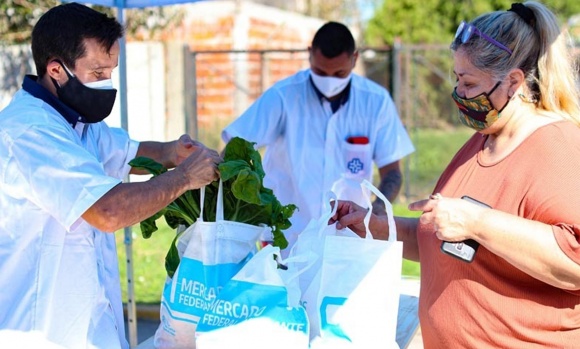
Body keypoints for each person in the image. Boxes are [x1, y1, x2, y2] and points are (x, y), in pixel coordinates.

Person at [330, 2, 580, 348]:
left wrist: (478, 222)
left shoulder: (558, 144)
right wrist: (373, 224)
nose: (459, 93)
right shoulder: (483, 140)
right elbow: (445, 242)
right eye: (456, 79)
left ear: (513, 82)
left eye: (469, 82)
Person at [0, 3, 221, 348]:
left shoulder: (77, 120)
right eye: (98, 72)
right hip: (40, 331)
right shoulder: (31, 131)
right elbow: (108, 211)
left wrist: (173, 153)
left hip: (89, 326)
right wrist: (184, 178)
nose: (107, 83)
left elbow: (129, 152)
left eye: (111, 71)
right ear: (56, 70)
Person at [222, 21, 414, 251]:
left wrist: (375, 214)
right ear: (310, 55)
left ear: (355, 59)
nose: (330, 81)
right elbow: (234, 149)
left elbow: (392, 172)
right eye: (321, 72)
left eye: (340, 73)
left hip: (350, 239)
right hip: (286, 237)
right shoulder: (283, 96)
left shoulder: (376, 101)